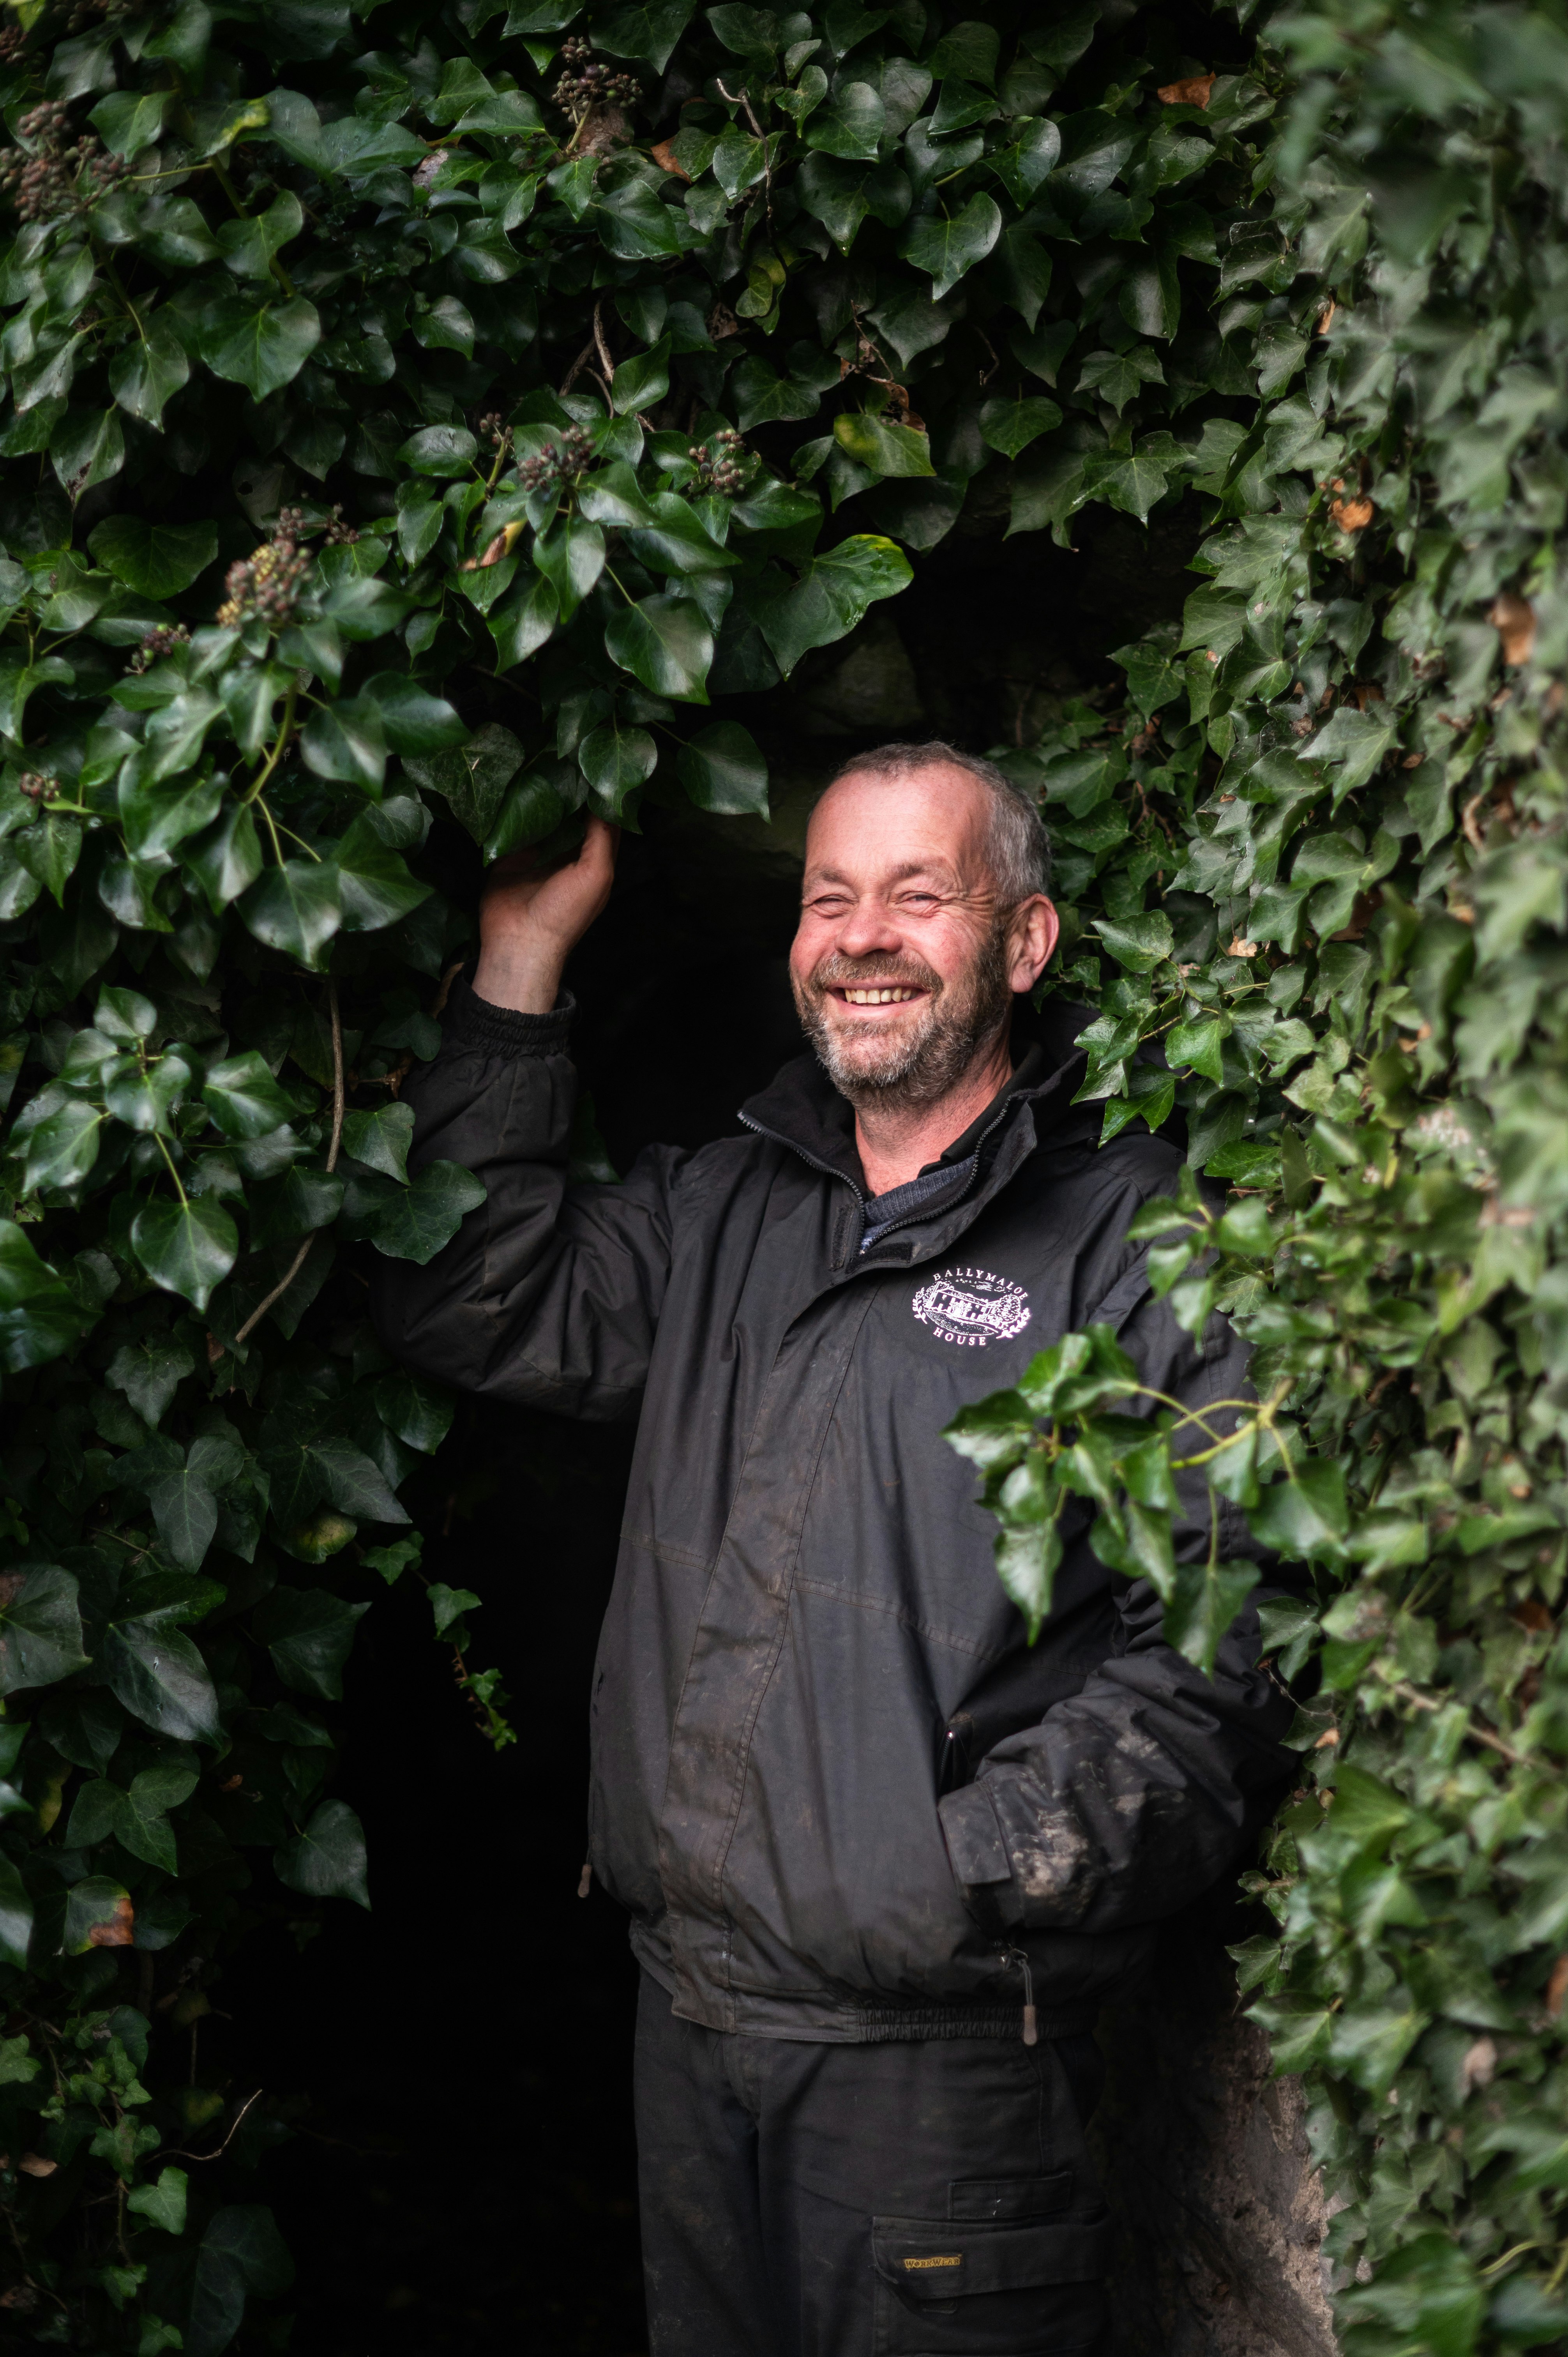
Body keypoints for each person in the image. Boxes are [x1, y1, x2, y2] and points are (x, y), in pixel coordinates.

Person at [372, 742, 1295, 2356]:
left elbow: (1227, 1634)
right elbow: (475, 1295)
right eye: (829, 896)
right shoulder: (728, 1204)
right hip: (690, 2022)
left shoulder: (1132, 1249)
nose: (862, 936)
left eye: (919, 894)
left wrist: (965, 1870)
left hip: (939, 2073)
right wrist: (518, 967)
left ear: (1024, 943)